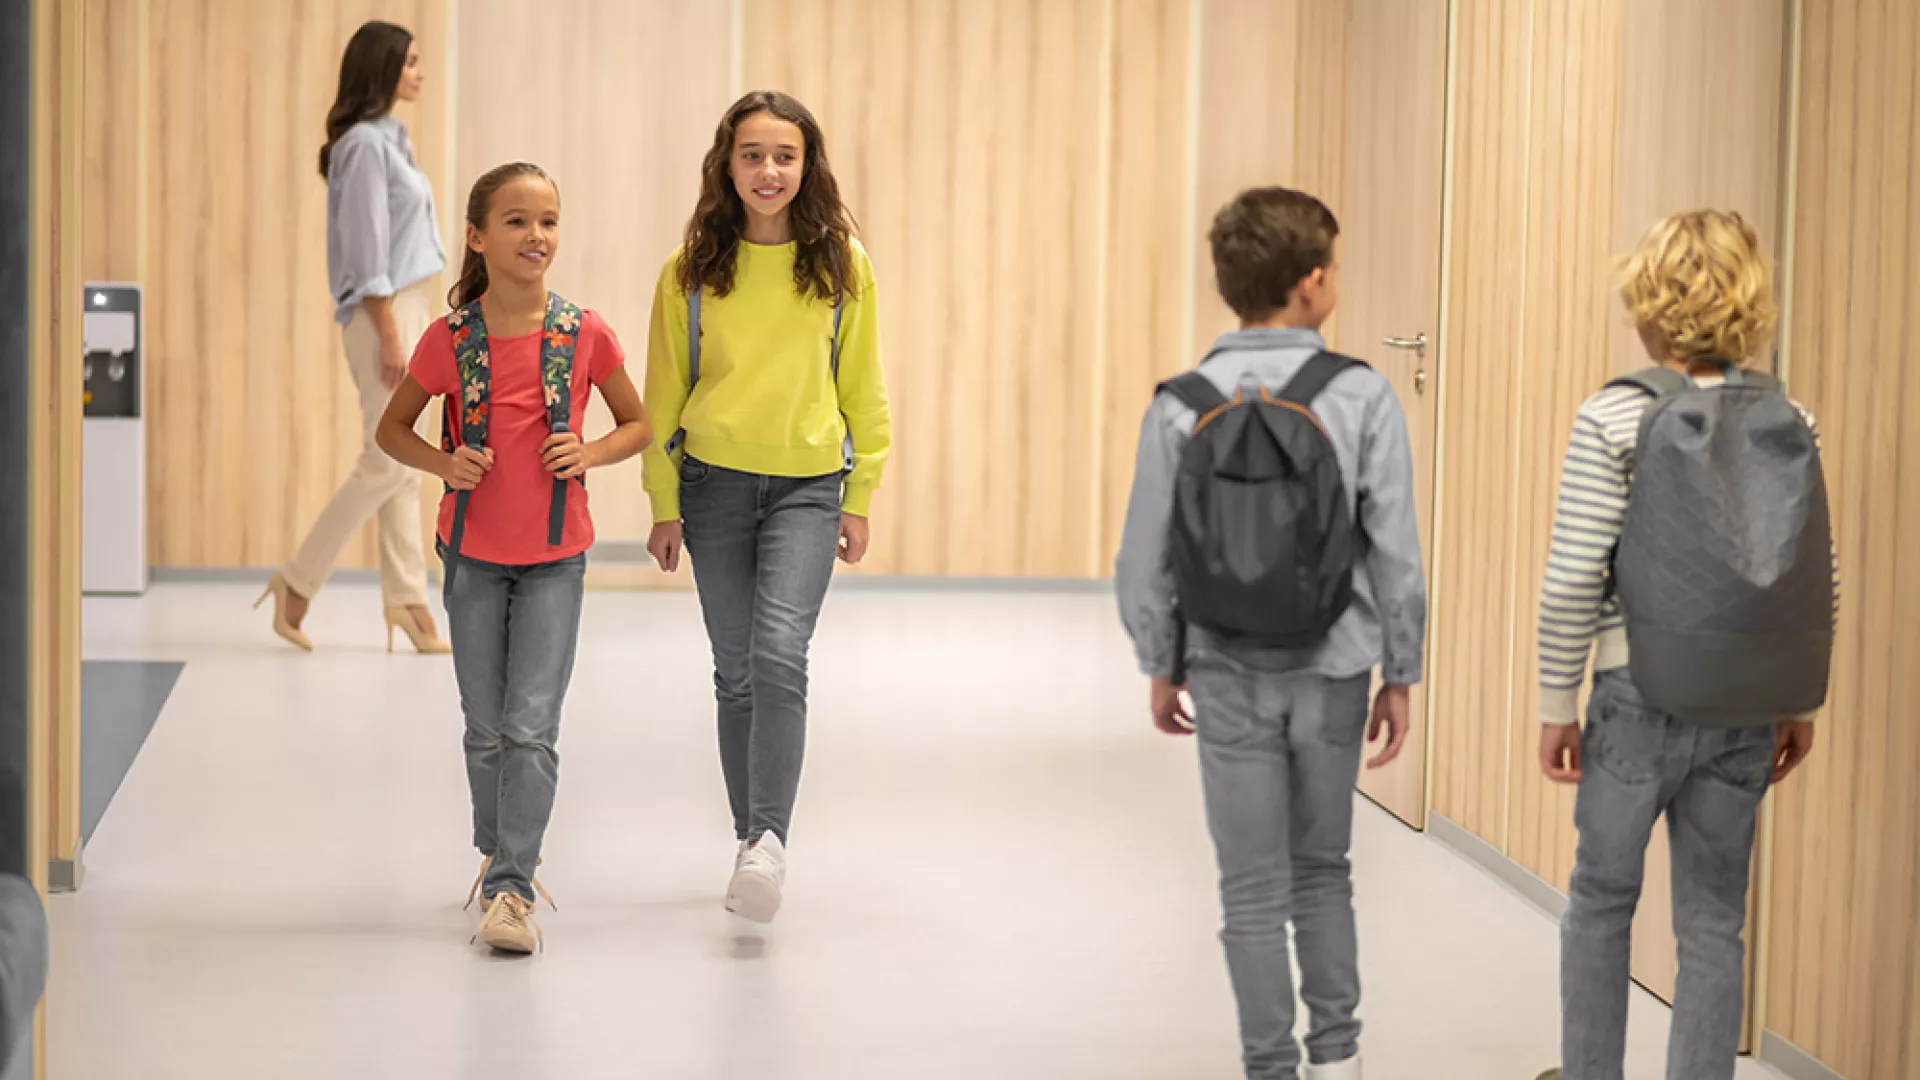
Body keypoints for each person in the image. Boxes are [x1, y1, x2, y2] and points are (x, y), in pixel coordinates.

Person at [1115, 186, 1426, 1080]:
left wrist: (1161, 661)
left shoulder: (1182, 403)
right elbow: (1394, 547)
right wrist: (1399, 668)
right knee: (1322, 869)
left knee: (1250, 885)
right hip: (1334, 669)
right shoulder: (1360, 394)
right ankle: (1340, 1058)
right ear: (1314, 282)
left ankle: (1269, 1065)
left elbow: (1146, 558)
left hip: (1222, 664)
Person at [1533, 209, 1835, 1080]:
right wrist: (1799, 700)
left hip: (1636, 697)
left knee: (1600, 900)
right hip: (1745, 705)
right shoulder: (1789, 419)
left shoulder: (1612, 416)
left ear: (1646, 302)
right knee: (1712, 925)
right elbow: (1817, 575)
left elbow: (1572, 577)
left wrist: (1559, 702)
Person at [376, 162, 649, 954]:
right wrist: (443, 464)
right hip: (471, 556)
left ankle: (512, 890)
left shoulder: (584, 332)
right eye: (518, 221)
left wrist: (591, 449)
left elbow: (636, 422)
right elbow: (394, 429)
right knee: (486, 729)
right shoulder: (449, 338)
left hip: (556, 558)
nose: (537, 236)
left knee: (531, 727)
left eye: (549, 222)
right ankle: (498, 852)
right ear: (477, 236)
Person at [641, 90, 892, 926]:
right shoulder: (688, 272)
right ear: (727, 166)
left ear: (807, 165)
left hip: (810, 488)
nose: (769, 171)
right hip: (711, 487)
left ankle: (769, 844)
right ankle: (754, 837)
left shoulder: (842, 265)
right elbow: (663, 395)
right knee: (736, 670)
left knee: (780, 652)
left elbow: (865, 391)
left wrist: (861, 493)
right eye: (752, 155)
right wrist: (662, 501)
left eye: (785, 156)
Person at [257, 20, 449, 653]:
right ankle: (298, 582)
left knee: (404, 464)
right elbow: (368, 252)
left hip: (405, 305)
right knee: (388, 457)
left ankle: (408, 603)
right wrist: (391, 332)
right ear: (384, 68)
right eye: (412, 62)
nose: (421, 73)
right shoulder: (365, 145)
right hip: (385, 311)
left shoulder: (390, 138)